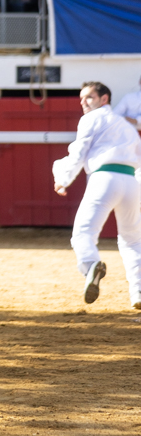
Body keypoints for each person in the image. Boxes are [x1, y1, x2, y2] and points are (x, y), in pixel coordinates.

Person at [53, 81, 141, 308]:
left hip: (105, 178)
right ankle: (138, 292)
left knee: (83, 233)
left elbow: (78, 152)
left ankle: (91, 265)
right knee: (133, 241)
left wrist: (63, 180)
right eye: (82, 98)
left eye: (88, 97)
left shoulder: (91, 119)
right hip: (131, 181)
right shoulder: (126, 126)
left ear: (104, 99)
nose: (83, 102)